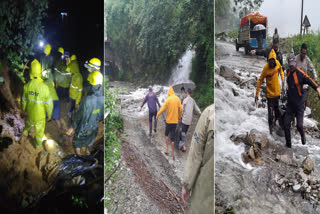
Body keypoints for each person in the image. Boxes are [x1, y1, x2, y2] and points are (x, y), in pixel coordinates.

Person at [181, 104, 214, 214]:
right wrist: (199, 113)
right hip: (189, 121)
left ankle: (181, 145)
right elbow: (195, 108)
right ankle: (181, 144)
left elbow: (196, 154)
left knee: (181, 134)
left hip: (203, 197)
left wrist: (187, 185)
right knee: (183, 134)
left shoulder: (209, 113)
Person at [284, 54, 320, 148]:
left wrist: (317, 89)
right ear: (288, 64)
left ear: (295, 63)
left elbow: (309, 80)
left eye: (293, 64)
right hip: (290, 103)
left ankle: (302, 135)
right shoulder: (287, 72)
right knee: (286, 124)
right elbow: (287, 81)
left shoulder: (300, 74)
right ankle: (288, 146)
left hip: (299, 103)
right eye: (290, 64)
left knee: (299, 126)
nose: (291, 66)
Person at [66, 71, 104, 155]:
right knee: (89, 141)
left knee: (76, 143)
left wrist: (72, 127)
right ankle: (87, 152)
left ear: (92, 85)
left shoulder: (87, 100)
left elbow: (79, 115)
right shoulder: (103, 99)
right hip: (94, 128)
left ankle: (79, 157)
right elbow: (101, 116)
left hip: (83, 129)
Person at [21, 59, 53, 149]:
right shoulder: (44, 87)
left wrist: (24, 109)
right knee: (39, 132)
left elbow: (23, 101)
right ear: (40, 72)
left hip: (30, 113)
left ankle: (24, 133)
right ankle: (37, 145)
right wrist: (49, 114)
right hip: (40, 116)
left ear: (31, 71)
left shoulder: (26, 86)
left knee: (28, 123)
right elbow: (49, 104)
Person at [255, 49, 284, 134]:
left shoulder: (277, 63)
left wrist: (282, 78)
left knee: (277, 112)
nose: (271, 63)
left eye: (273, 62)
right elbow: (260, 80)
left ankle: (276, 123)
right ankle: (270, 132)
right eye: (270, 62)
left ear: (275, 61)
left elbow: (281, 70)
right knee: (270, 115)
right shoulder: (266, 68)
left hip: (277, 93)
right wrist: (256, 94)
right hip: (270, 95)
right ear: (268, 61)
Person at [156, 87, 182, 160]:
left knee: (166, 135)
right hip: (175, 122)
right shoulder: (177, 99)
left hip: (168, 122)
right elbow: (181, 108)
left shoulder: (168, 99)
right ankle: (172, 154)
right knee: (172, 138)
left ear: (169, 93)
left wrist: (157, 115)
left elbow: (162, 109)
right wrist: (179, 117)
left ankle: (167, 149)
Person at [295, 43, 318, 108]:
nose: (303, 55)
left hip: (304, 84)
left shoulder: (307, 59)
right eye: (302, 53)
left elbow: (312, 68)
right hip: (297, 83)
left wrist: (315, 77)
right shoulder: (296, 58)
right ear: (300, 51)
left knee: (303, 101)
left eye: (304, 54)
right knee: (297, 102)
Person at [42, 70, 62, 138]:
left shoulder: (41, 83)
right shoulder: (50, 81)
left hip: (49, 101)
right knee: (57, 119)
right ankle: (60, 132)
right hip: (56, 99)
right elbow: (53, 86)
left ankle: (43, 132)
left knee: (44, 115)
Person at [68, 54, 83, 122]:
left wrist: (77, 102)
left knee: (74, 111)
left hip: (75, 98)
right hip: (72, 96)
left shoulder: (78, 77)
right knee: (71, 110)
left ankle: (74, 122)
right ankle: (70, 119)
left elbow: (80, 90)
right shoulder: (73, 75)